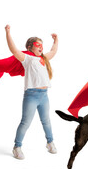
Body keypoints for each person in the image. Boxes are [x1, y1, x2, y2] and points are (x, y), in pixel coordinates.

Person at [5, 25, 58, 160]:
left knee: (46, 120)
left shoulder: (44, 58)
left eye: (41, 45)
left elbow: (53, 51)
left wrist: (56, 40)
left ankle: (50, 142)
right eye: (37, 45)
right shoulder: (27, 59)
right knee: (25, 122)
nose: (41, 47)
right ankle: (17, 147)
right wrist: (8, 33)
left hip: (44, 95)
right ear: (29, 48)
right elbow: (14, 50)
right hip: (31, 96)